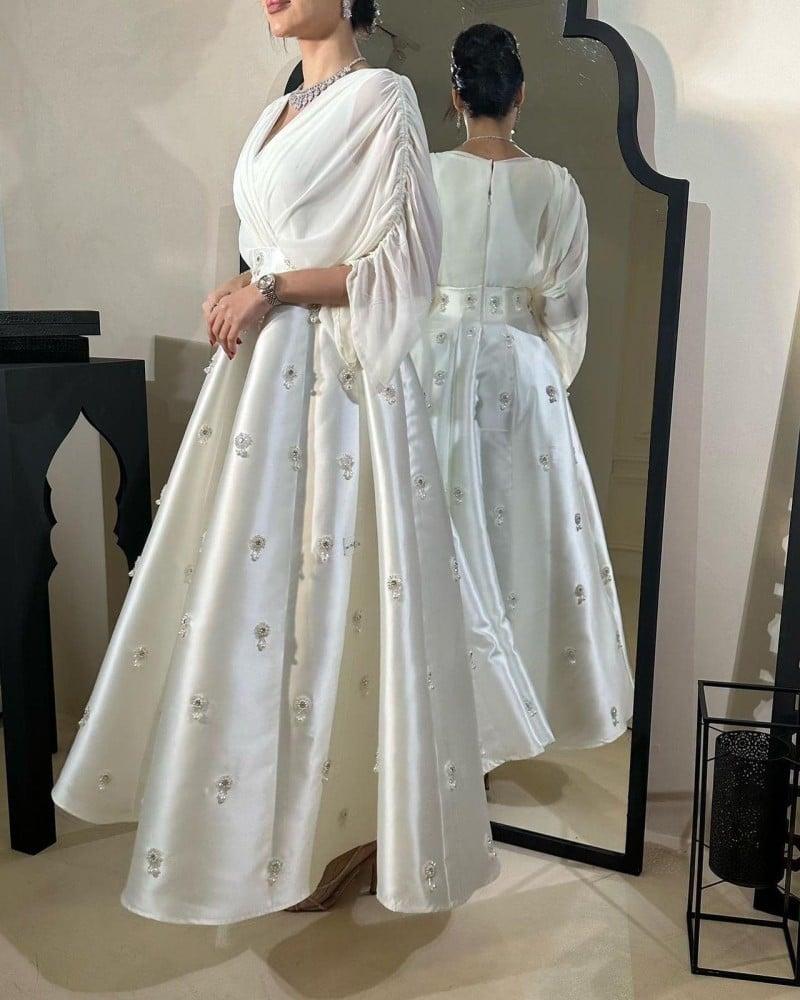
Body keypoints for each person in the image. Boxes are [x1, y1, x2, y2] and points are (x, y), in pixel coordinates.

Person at [52, 0, 499, 925]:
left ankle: (348, 830)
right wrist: (251, 285)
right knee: (257, 604)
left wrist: (267, 286)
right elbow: (276, 246)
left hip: (338, 390)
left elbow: (406, 267)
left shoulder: (384, 98)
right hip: (259, 387)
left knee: (328, 600)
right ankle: (264, 827)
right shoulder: (275, 113)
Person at [416, 23, 634, 772]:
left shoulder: (424, 176)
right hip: (517, 365)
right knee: (514, 537)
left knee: (436, 528)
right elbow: (565, 306)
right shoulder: (556, 185)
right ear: (520, 97)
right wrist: (546, 378)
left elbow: (401, 284)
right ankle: (501, 717)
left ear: (456, 97)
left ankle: (437, 719)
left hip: (431, 356)